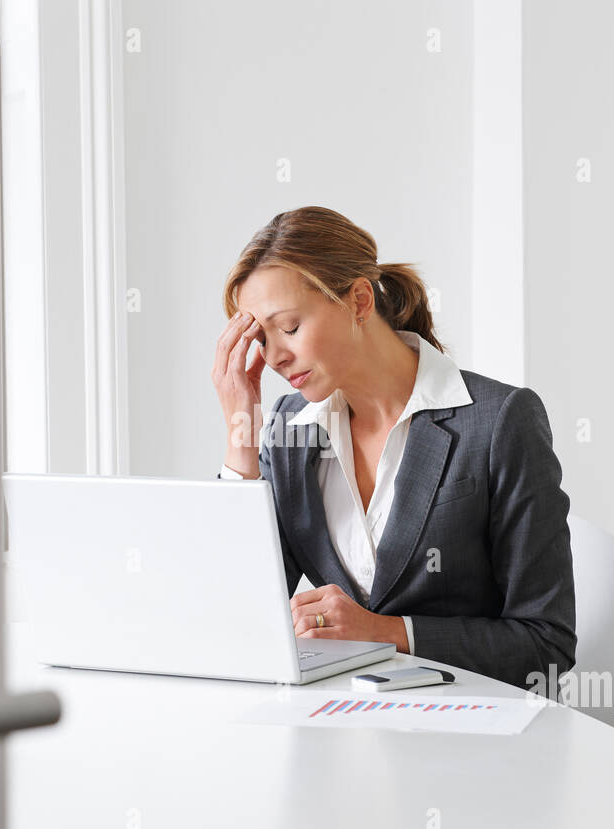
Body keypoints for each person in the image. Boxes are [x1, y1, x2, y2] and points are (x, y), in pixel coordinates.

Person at [210, 206, 575, 690]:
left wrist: (388, 633)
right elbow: (233, 613)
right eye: (261, 337)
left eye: (291, 327)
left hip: (473, 735)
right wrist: (242, 434)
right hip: (343, 724)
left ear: (359, 300)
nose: (275, 357)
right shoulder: (287, 429)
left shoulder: (501, 421)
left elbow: (546, 644)